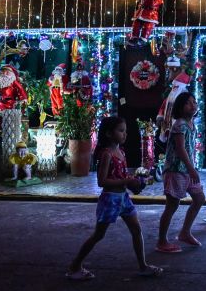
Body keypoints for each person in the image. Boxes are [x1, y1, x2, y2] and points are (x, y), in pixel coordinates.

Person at [66, 117, 162, 280]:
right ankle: (75, 265)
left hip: (123, 198)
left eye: (125, 131)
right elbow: (102, 181)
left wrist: (135, 184)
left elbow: (121, 176)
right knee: (99, 234)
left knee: (136, 230)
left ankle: (143, 266)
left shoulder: (121, 152)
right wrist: (126, 181)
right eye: (121, 130)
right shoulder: (107, 154)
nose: (124, 134)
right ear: (109, 134)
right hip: (110, 199)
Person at [156, 92, 205, 251]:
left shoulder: (191, 124)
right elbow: (180, 148)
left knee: (199, 198)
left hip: (187, 170)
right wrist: (192, 169)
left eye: (194, 102)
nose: (193, 105)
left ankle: (185, 232)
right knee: (172, 205)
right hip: (176, 169)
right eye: (188, 103)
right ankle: (162, 241)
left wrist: (191, 168)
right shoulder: (180, 124)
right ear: (180, 107)